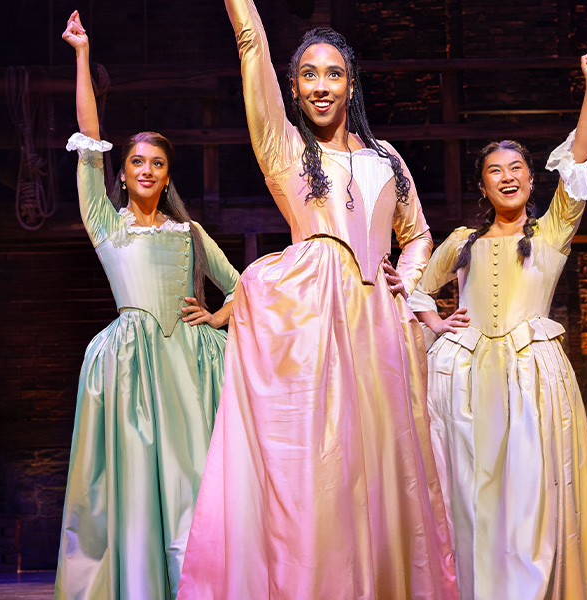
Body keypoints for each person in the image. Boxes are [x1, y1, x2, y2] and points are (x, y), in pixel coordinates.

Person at [176, 1, 457, 598]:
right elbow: (252, 45)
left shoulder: (388, 159)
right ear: (293, 88)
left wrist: (407, 283)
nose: (321, 85)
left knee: (384, 467)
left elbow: (418, 234)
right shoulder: (283, 148)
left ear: (351, 84)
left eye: (333, 74)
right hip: (313, 321)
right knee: (322, 465)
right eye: (309, 75)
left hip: (379, 329)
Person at [411, 54, 587, 600]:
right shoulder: (463, 241)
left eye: (516, 168)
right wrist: (437, 322)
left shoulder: (552, 231)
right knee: (470, 491)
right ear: (483, 186)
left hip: (530, 378)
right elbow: (417, 291)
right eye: (495, 171)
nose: (507, 177)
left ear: (530, 177)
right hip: (465, 379)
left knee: (529, 493)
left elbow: (578, 158)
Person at [55, 12, 242, 600]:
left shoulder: (189, 234)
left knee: (191, 483)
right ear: (124, 172)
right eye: (137, 161)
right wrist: (82, 56)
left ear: (166, 176)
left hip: (187, 364)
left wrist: (216, 318)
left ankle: (195, 586)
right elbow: (89, 140)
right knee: (134, 482)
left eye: (156, 163)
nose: (146, 170)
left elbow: (242, 286)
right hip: (130, 366)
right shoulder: (106, 224)